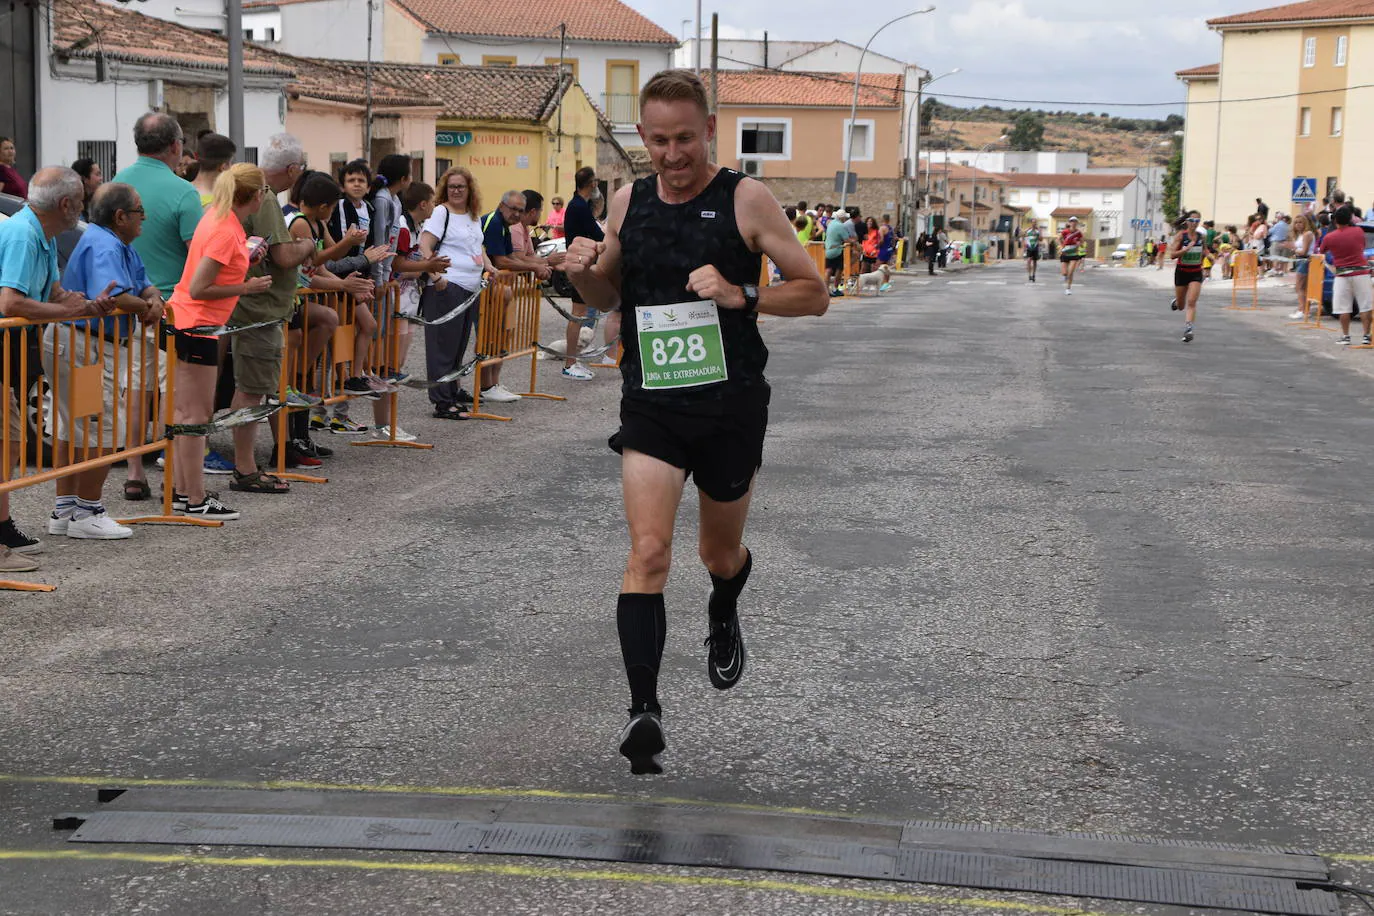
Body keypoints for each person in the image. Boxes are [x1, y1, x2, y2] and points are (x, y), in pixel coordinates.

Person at [563, 68, 829, 776]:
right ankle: (642, 711)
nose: (672, 154)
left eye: (685, 138)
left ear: (708, 130)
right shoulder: (629, 200)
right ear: (641, 137)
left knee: (717, 553)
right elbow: (604, 290)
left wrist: (743, 292)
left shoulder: (747, 199)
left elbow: (814, 294)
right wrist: (580, 268)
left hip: (729, 404)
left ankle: (723, 599)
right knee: (648, 551)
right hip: (651, 401)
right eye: (658, 140)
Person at [0, 167, 118, 570]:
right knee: (6, 443)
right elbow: (11, 304)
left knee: (11, 442)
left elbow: (54, 292)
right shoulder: (23, 234)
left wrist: (85, 306)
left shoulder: (41, 235)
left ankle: (3, 528)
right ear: (66, 204)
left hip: (10, 353)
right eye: (82, 202)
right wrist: (65, 309)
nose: (83, 210)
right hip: (5, 346)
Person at [113, 114, 237, 476]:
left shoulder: (116, 185)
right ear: (176, 146)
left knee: (135, 388)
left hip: (129, 307)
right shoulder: (183, 191)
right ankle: (175, 468)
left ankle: (135, 471)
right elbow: (198, 253)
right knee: (174, 393)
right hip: (174, 310)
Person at [48, 181, 164, 533]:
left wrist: (153, 299)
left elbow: (144, 284)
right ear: (120, 216)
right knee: (96, 429)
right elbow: (115, 296)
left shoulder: (118, 243)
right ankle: (87, 512)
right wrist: (148, 306)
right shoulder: (105, 244)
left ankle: (65, 511)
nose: (144, 218)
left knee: (77, 428)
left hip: (85, 341)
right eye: (140, 212)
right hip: (86, 342)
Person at [226, 134, 339, 484]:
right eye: (300, 170)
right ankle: (245, 468)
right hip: (258, 308)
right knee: (250, 389)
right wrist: (307, 244)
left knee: (256, 386)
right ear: (291, 169)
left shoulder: (251, 192)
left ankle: (251, 462)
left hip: (256, 306)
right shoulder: (267, 198)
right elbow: (282, 255)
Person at [168, 164, 274, 519]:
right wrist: (247, 286)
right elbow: (200, 287)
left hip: (187, 321)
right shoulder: (227, 230)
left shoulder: (217, 216)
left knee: (186, 415)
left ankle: (185, 494)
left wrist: (244, 261)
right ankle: (196, 499)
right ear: (256, 195)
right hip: (199, 325)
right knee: (196, 417)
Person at [418, 166, 493, 420]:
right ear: (445, 190)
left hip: (470, 288)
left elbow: (476, 244)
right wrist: (436, 276)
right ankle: (441, 400)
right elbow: (424, 245)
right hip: (448, 286)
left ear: (469, 188)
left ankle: (452, 390)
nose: (457, 190)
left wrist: (488, 265)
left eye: (461, 186)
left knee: (458, 344)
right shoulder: (441, 212)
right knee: (442, 345)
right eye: (452, 187)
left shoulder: (473, 214)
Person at [562, 167, 608, 380]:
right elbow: (596, 233)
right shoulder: (578, 206)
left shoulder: (578, 205)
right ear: (592, 183)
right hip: (579, 263)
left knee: (579, 315)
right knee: (577, 315)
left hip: (581, 262)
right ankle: (570, 363)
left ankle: (573, 360)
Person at [1318, 205, 1372, 346]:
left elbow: (1322, 250)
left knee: (1344, 307)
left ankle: (1346, 336)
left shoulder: (1330, 237)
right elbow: (1362, 245)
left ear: (1335, 220)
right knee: (1365, 305)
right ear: (1350, 218)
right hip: (1361, 271)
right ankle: (1366, 335)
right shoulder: (1359, 231)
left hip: (1342, 274)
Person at [1167, 212, 1215, 343]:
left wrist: (1209, 256)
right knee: (1182, 305)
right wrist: (1186, 249)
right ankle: (1176, 302)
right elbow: (1172, 255)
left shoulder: (1200, 236)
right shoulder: (1180, 236)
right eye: (1192, 220)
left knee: (1192, 302)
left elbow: (1204, 250)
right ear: (1187, 222)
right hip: (1182, 272)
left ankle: (1189, 329)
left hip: (1195, 272)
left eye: (1197, 220)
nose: (1194, 223)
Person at [190, 133, 236, 207]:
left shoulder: (182, 192)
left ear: (196, 156)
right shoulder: (221, 204)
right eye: (231, 163)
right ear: (223, 167)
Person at [1287, 213, 1316, 320]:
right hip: (1301, 261)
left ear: (1305, 223)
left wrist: (1294, 249)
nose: (1298, 225)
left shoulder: (1307, 234)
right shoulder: (1301, 235)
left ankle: (1302, 310)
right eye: (1296, 223)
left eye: (1300, 222)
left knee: (1300, 287)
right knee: (1303, 287)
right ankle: (1304, 310)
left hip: (1304, 261)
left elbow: (1304, 251)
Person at [824, 209, 849, 296]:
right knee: (839, 269)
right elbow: (846, 239)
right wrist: (854, 242)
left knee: (828, 269)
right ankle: (835, 288)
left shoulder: (831, 223)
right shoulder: (840, 226)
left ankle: (826, 289)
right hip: (837, 250)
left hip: (828, 249)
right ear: (842, 218)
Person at [1059, 216, 1084, 294]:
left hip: (1073, 253)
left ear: (1076, 223)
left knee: (1071, 272)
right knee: (1064, 273)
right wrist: (1062, 246)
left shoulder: (1078, 233)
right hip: (1065, 253)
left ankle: (1068, 289)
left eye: (1075, 221)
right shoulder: (1065, 232)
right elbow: (1059, 239)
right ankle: (1065, 276)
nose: (1073, 223)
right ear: (1069, 223)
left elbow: (1082, 242)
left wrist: (1079, 244)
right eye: (1072, 221)